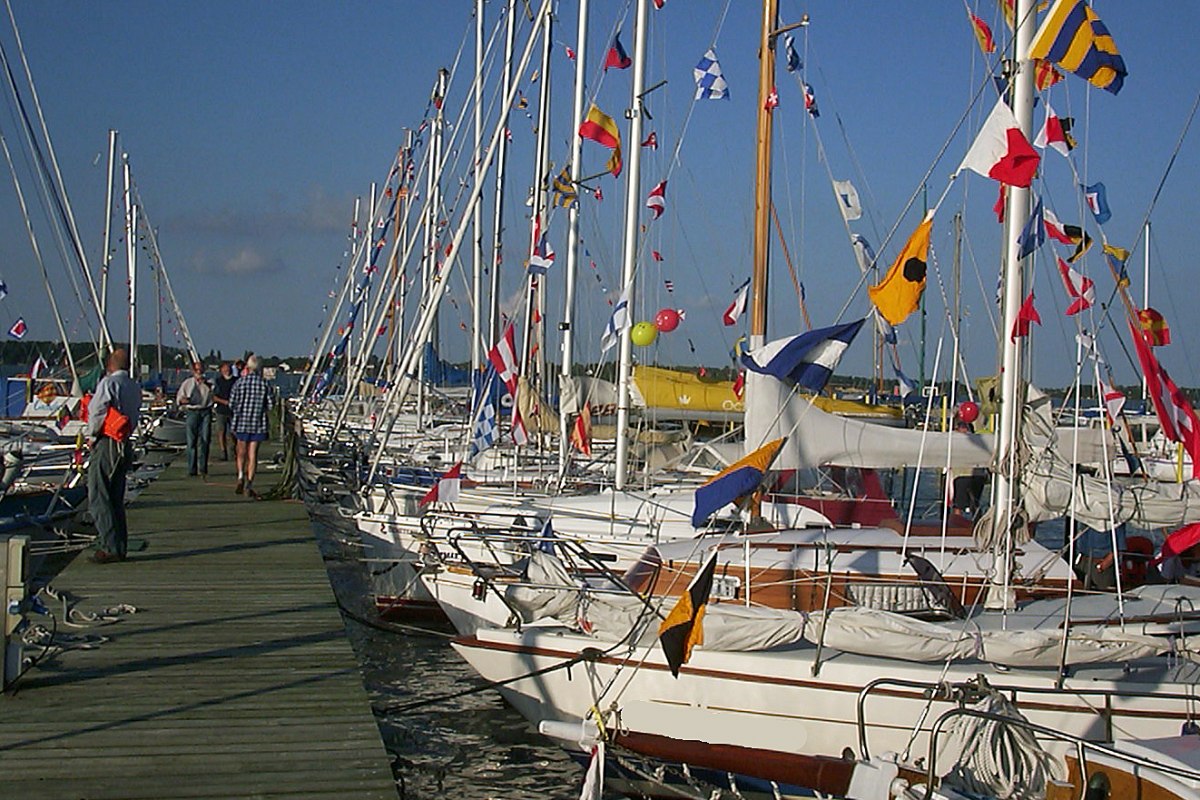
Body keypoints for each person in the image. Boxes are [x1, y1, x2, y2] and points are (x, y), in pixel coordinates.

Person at [86, 348, 142, 563]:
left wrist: (92, 435)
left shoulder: (109, 384)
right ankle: (120, 545)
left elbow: (97, 410)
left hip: (108, 441)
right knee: (116, 497)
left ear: (110, 365)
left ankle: (109, 546)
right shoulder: (134, 387)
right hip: (124, 443)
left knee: (99, 495)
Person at [229, 354, 271, 499]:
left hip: (241, 422)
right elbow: (270, 405)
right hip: (258, 423)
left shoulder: (240, 383)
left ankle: (240, 476)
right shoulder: (264, 384)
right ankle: (249, 483)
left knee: (241, 451)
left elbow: (232, 403)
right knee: (253, 454)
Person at [176, 361, 214, 477]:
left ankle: (203, 468)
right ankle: (192, 469)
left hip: (205, 411)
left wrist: (204, 384)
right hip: (192, 411)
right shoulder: (187, 383)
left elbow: (214, 393)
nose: (199, 373)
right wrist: (184, 400)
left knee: (205, 439)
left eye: (201, 370)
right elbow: (179, 399)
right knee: (191, 441)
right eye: (197, 370)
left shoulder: (210, 382)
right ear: (193, 371)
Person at [211, 362, 236, 460]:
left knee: (233, 432)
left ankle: (232, 451)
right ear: (221, 370)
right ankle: (223, 451)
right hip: (221, 409)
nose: (227, 370)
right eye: (225, 369)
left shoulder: (236, 381)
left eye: (229, 368)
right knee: (221, 431)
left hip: (233, 410)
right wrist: (224, 402)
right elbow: (213, 396)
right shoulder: (218, 381)